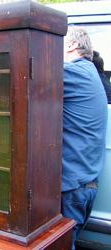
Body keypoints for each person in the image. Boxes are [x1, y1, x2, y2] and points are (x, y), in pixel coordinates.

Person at [62, 27, 108, 250]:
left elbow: (32, 72)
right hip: (85, 185)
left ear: (71, 46)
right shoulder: (90, 72)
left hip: (72, 188)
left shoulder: (74, 72)